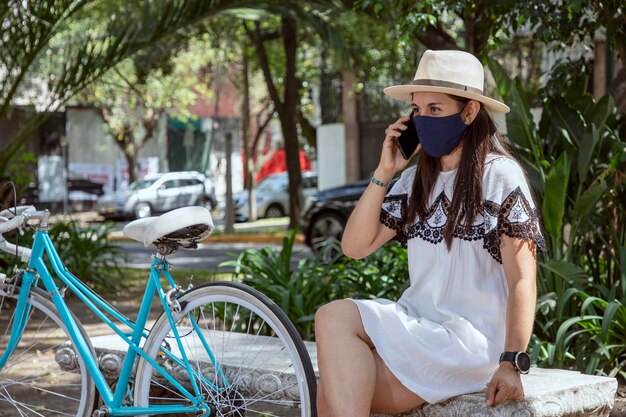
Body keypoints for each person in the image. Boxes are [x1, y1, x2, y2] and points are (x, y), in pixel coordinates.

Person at [314, 49, 547, 417]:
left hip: (468, 343)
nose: (423, 119)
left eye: (435, 109)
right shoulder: (413, 181)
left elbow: (522, 279)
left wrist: (511, 361)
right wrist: (385, 170)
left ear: (469, 111)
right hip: (419, 327)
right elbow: (355, 246)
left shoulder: (500, 176)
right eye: (417, 110)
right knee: (332, 324)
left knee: (331, 394)